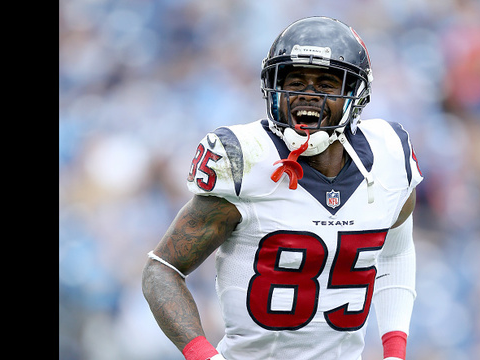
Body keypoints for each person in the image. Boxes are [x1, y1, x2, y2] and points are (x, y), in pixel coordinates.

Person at [142, 16, 423, 360]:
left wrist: (394, 351)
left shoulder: (389, 154)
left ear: (355, 95)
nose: (307, 96)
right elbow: (162, 268)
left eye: (325, 84)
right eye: (295, 81)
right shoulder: (243, 159)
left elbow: (395, 252)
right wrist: (205, 357)